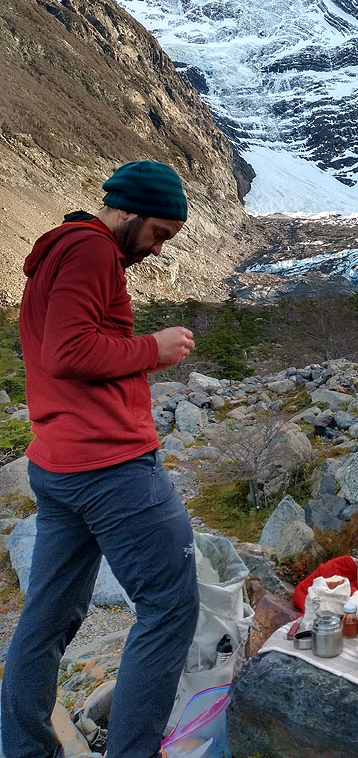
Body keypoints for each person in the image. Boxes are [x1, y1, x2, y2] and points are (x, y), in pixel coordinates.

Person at [1, 160, 200, 758]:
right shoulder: (91, 251)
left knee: (49, 615)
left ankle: (24, 747)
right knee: (169, 607)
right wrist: (153, 349)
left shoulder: (59, 253)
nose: (160, 249)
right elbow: (69, 351)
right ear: (129, 210)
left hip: (58, 463)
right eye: (159, 234)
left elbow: (52, 343)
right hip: (110, 466)